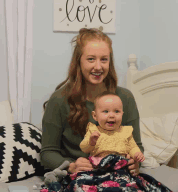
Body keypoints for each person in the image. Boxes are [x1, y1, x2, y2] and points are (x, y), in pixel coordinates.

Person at [40, 28, 143, 177]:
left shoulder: (125, 98)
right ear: (79, 61)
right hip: (81, 176)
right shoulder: (59, 100)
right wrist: (71, 166)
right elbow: (47, 153)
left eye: (104, 59)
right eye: (91, 59)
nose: (98, 67)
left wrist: (134, 161)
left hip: (117, 174)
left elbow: (137, 145)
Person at [80, 91, 145, 162]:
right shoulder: (93, 131)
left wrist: (137, 154)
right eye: (106, 111)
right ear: (95, 116)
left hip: (120, 164)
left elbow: (132, 147)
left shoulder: (125, 132)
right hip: (99, 164)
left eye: (117, 111)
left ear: (122, 114)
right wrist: (91, 142)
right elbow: (84, 148)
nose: (111, 115)